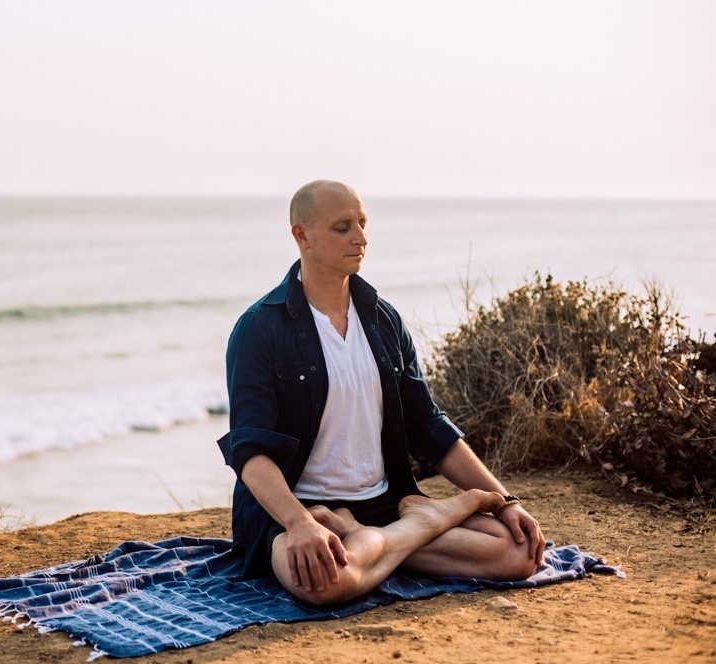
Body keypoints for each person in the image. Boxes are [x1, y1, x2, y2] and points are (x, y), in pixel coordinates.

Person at [217, 180, 545, 606]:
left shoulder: (383, 320)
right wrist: (298, 524)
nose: (361, 238)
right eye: (342, 227)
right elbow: (251, 451)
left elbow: (428, 426)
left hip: (384, 503)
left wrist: (506, 502)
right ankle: (424, 522)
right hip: (300, 508)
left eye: (363, 223)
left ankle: (365, 535)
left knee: (520, 554)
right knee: (327, 583)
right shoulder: (260, 329)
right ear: (302, 235)